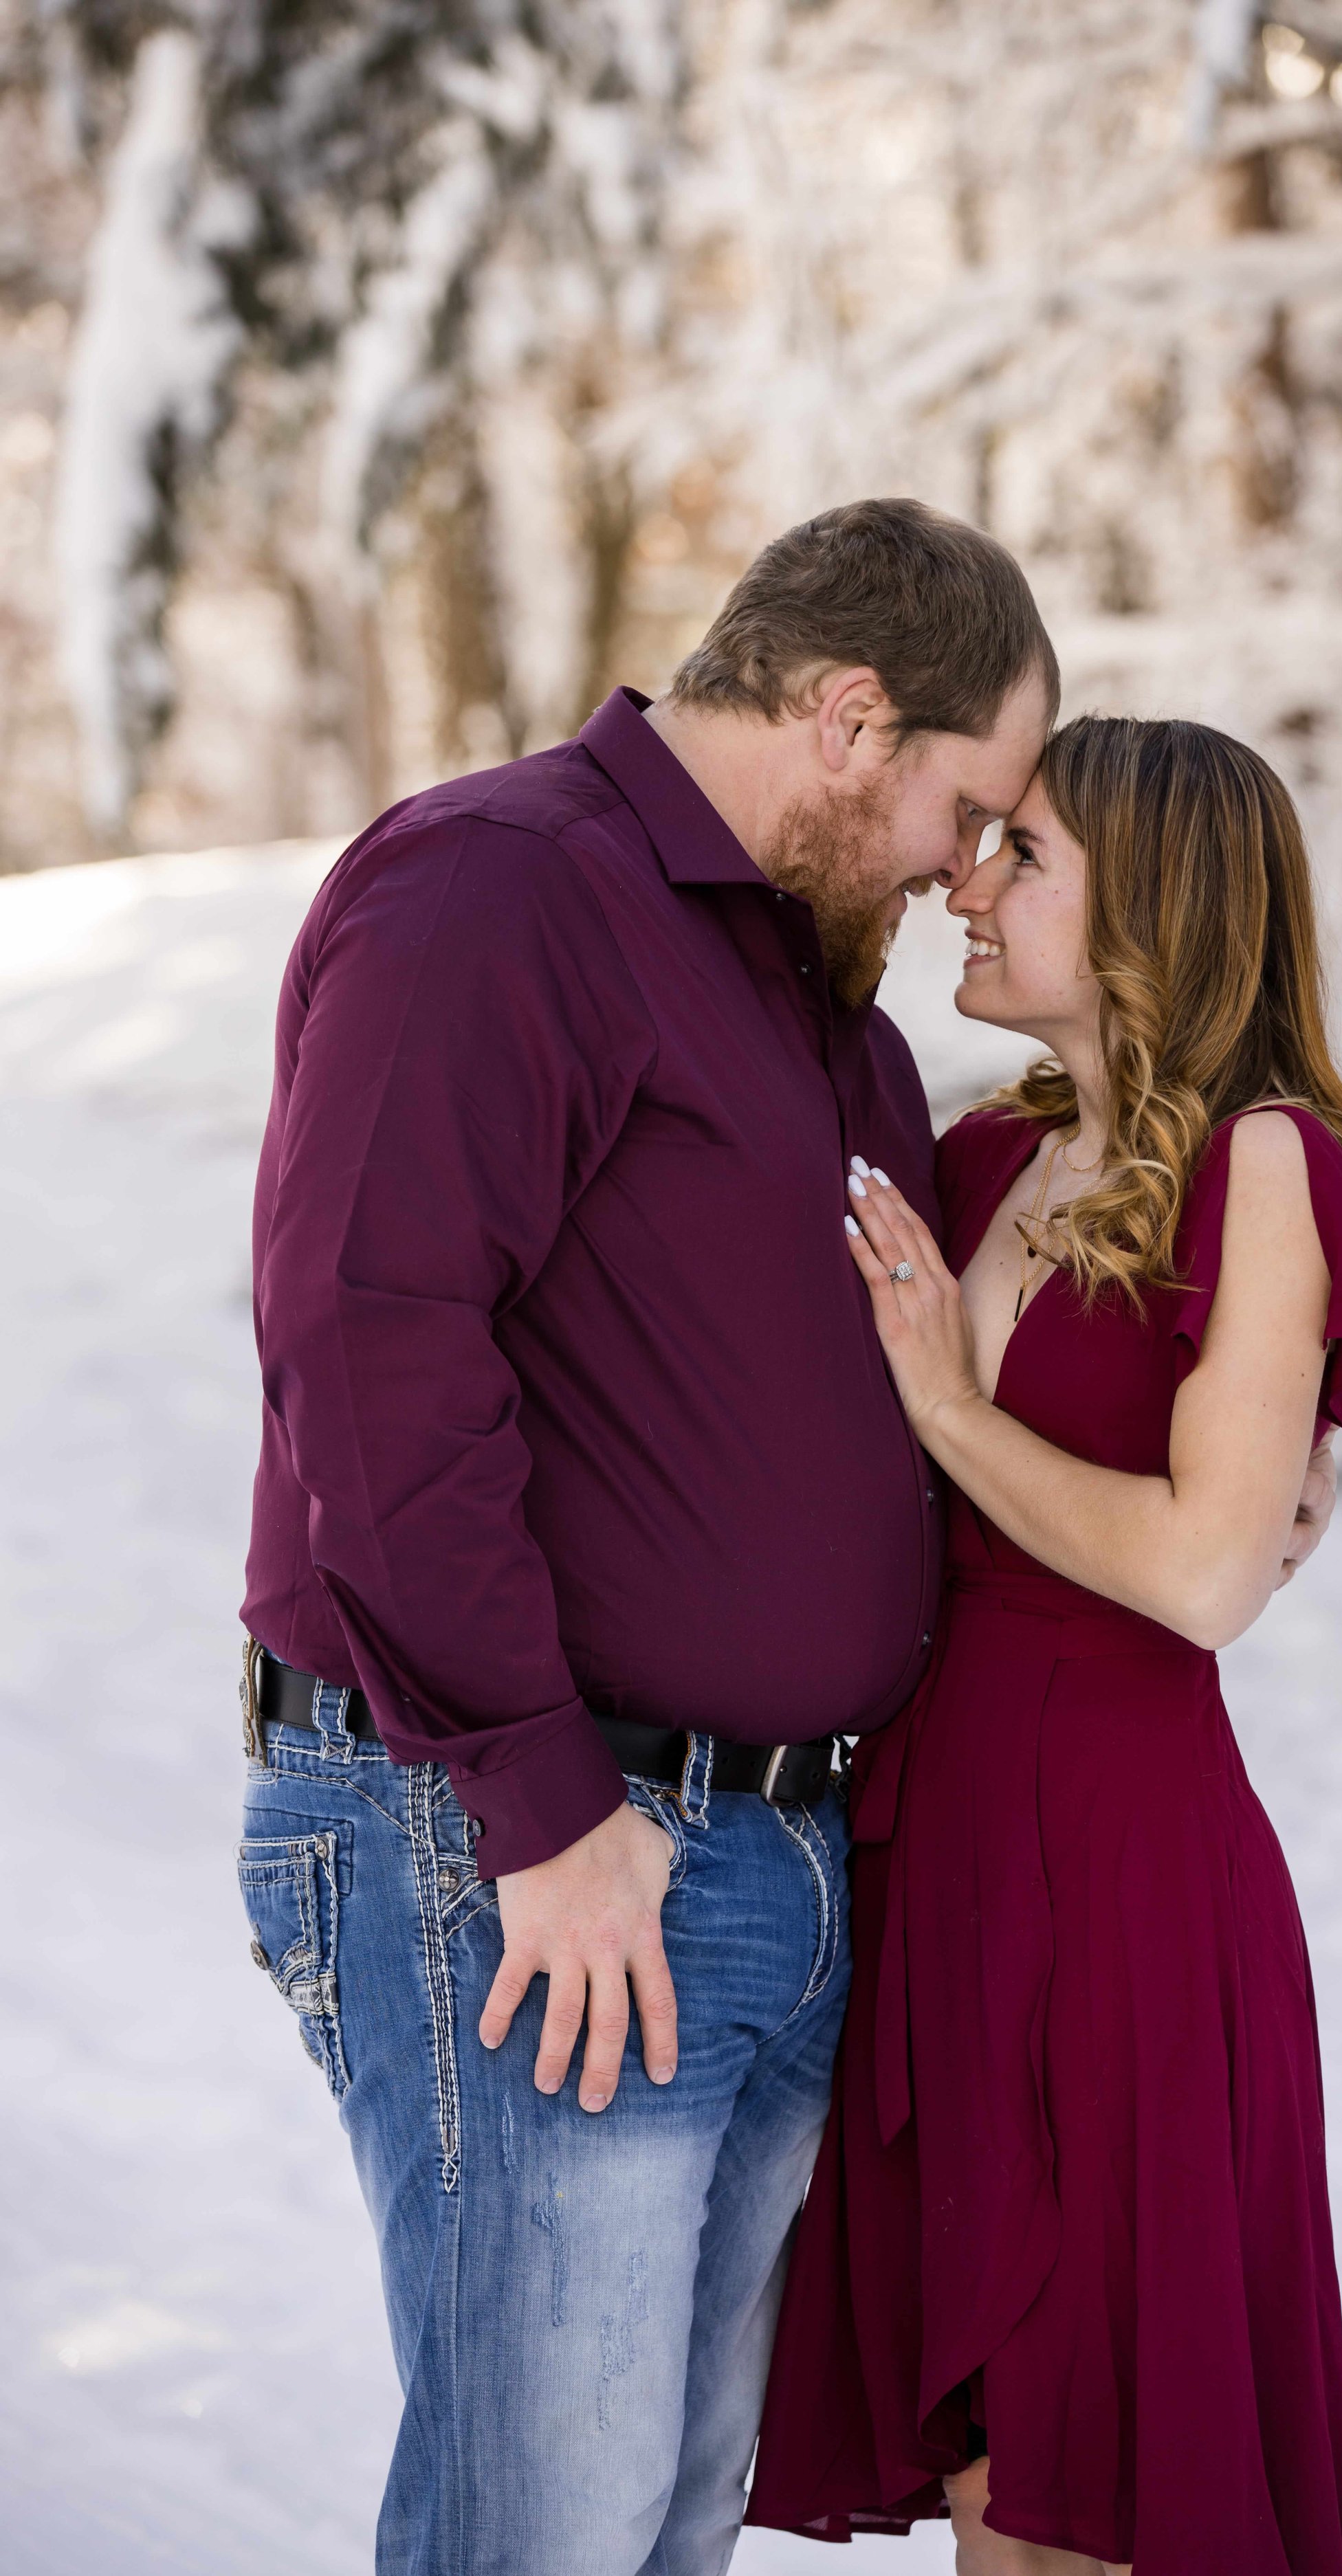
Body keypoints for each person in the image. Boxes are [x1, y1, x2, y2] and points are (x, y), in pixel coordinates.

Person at [235, 497, 1059, 2576]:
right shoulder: (505, 890)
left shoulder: (832, 1020)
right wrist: (538, 1798)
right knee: (550, 2534)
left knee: (661, 2527)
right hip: (533, 1830)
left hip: (761, 1859)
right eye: (965, 806)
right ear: (853, 716)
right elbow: (372, 1334)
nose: (963, 867)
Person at [747, 715, 1342, 2575]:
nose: (965, 880)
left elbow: (1204, 1577)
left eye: (1016, 853)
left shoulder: (1263, 1165)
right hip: (935, 1845)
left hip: (1121, 1865)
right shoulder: (975, 1158)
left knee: (1109, 2479)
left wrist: (954, 1417)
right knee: (998, 2481)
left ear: (1154, 905)